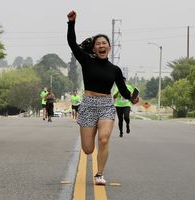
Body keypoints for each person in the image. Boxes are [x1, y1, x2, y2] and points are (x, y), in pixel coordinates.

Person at [67, 10, 139, 185]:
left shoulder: (115, 69)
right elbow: (72, 44)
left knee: (104, 139)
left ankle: (99, 174)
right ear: (94, 48)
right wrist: (71, 23)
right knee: (88, 149)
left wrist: (132, 98)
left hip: (106, 105)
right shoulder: (86, 60)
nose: (101, 45)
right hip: (88, 105)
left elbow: (123, 91)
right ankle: (90, 150)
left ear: (109, 47)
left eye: (104, 43)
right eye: (98, 43)